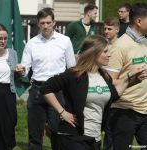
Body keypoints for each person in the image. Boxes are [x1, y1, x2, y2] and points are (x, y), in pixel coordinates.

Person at [40, 35, 144, 150]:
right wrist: (62, 112)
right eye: (105, 51)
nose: (109, 55)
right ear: (93, 53)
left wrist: (130, 79)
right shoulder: (74, 74)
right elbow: (46, 88)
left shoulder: (104, 76)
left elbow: (113, 95)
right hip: (73, 137)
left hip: (95, 139)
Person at [16, 8, 76, 150]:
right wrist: (21, 70)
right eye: (42, 23)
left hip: (58, 91)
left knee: (57, 131)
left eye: (48, 22)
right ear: (38, 24)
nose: (45, 26)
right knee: (34, 134)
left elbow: (72, 68)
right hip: (37, 90)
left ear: (54, 22)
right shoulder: (32, 43)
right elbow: (25, 69)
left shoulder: (65, 41)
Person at [106, 3, 147, 150]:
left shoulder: (145, 42)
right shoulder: (120, 46)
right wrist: (132, 78)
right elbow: (110, 84)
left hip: (145, 111)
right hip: (124, 111)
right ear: (139, 21)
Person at [0, 23, 18, 149]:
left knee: (9, 123)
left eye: (5, 38)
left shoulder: (12, 53)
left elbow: (17, 73)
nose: (3, 41)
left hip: (8, 91)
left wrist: (21, 72)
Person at [103, 17, 120, 150]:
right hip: (103, 91)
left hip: (116, 93)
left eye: (109, 29)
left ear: (117, 29)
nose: (106, 31)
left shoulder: (120, 47)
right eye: (104, 28)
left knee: (111, 131)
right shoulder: (104, 46)